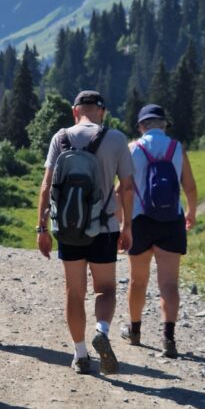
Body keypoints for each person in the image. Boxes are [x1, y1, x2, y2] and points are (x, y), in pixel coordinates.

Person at [37, 89, 134, 375]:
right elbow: (127, 187)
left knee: (74, 292)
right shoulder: (116, 139)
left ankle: (80, 354)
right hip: (104, 227)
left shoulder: (61, 138)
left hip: (68, 228)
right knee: (105, 289)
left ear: (74, 111)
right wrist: (126, 226)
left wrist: (42, 227)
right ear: (102, 112)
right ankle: (101, 331)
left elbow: (46, 185)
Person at [121, 103, 198, 359]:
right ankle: (169, 338)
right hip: (171, 221)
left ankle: (134, 331)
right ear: (164, 125)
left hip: (141, 221)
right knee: (169, 284)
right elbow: (190, 187)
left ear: (142, 126)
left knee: (137, 281)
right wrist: (191, 212)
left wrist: (122, 223)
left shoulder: (133, 149)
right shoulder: (177, 148)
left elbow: (125, 189)